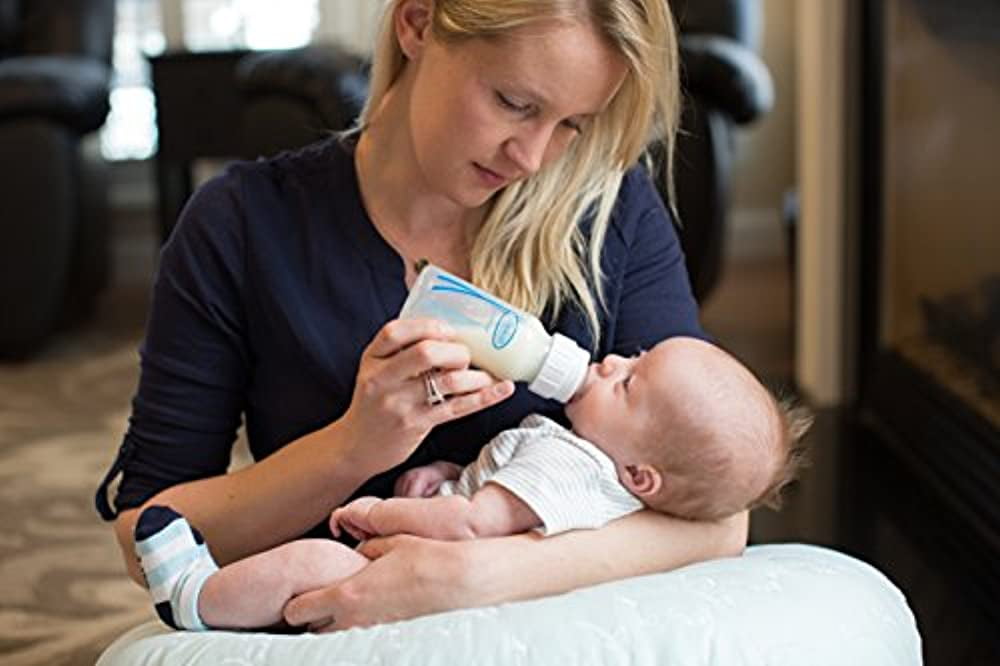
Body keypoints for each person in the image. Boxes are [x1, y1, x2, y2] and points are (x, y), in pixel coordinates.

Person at [96, 0, 753, 632]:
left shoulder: (610, 214)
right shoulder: (241, 226)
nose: (530, 157)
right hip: (331, 624)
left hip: (556, 631)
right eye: (514, 104)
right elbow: (146, 536)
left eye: (572, 124)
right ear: (416, 23)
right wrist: (350, 448)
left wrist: (471, 575)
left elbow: (719, 515)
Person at [133, 336, 810, 631]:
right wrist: (450, 475)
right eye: (632, 357)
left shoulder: (574, 465)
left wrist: (383, 510)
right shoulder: (589, 465)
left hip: (419, 576)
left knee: (315, 563)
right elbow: (492, 499)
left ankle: (198, 598)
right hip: (445, 557)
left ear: (641, 476)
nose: (610, 360)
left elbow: (473, 525)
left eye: (629, 380)